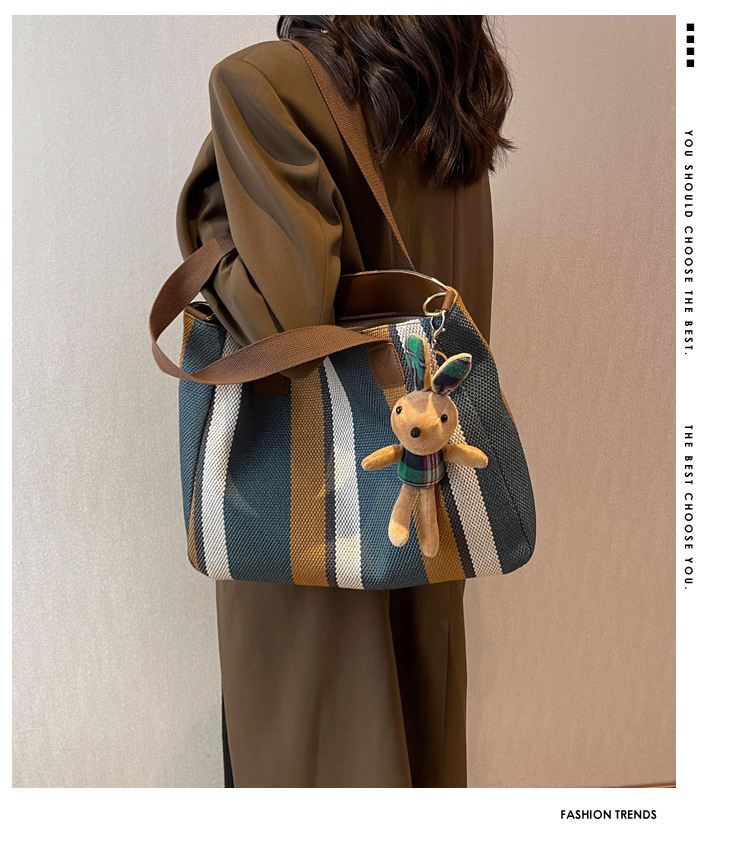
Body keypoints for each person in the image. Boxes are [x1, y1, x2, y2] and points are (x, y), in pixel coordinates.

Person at [175, 14, 515, 788]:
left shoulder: (264, 82)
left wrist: (209, 235)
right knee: (422, 746)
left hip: (307, 522)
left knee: (320, 762)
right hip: (427, 497)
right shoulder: (454, 97)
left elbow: (284, 325)